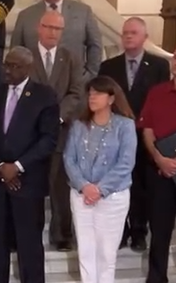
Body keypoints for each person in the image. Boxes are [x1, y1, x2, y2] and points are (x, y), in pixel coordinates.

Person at [0, 46, 59, 283]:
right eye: (7, 64)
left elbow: (49, 139)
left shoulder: (45, 95)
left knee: (30, 247)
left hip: (28, 182)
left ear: (29, 68)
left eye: (15, 66)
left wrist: (18, 166)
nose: (8, 70)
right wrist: (0, 167)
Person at [98, 17, 171, 250]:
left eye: (133, 33)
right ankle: (121, 231)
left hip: (146, 136)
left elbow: (163, 101)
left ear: (144, 38)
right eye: (125, 33)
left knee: (142, 184)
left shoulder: (159, 65)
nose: (128, 36)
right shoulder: (108, 66)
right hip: (115, 135)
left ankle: (139, 231)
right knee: (117, 184)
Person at [63, 75, 137, 283]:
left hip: (112, 198)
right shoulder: (79, 125)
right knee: (86, 252)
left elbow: (126, 163)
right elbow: (69, 159)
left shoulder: (125, 126)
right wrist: (85, 186)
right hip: (81, 196)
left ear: (111, 99)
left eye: (98, 93)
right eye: (91, 93)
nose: (92, 97)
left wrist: (100, 189)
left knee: (106, 254)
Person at [26, 10, 83, 250]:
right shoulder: (25, 57)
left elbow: (76, 92)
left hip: (60, 132)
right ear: (39, 28)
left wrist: (57, 116)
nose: (52, 33)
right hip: (30, 132)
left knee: (60, 184)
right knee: (30, 186)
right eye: (48, 27)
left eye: (57, 29)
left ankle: (61, 235)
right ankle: (28, 233)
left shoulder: (70, 58)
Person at [11, 0, 102, 79]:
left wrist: (90, 75)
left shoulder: (83, 12)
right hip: (35, 82)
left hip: (73, 81)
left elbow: (95, 45)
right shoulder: (26, 15)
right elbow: (16, 50)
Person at [137, 49, 176, 283]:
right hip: (160, 173)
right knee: (159, 231)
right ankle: (156, 278)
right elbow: (147, 130)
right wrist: (160, 159)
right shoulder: (157, 92)